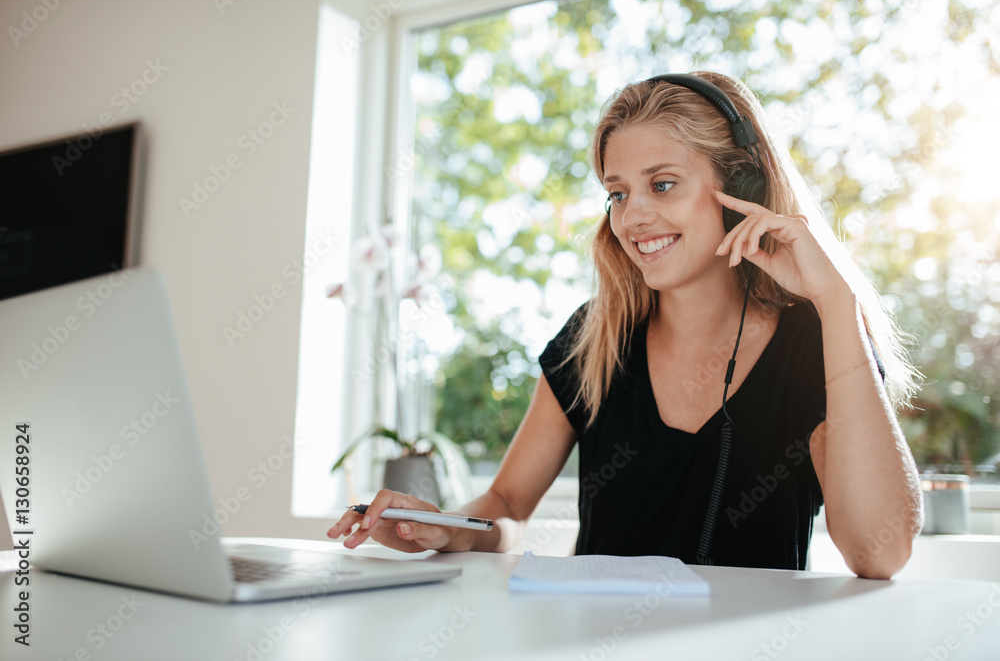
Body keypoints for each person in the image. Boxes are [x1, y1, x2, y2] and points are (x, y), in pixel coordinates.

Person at [327, 70, 923, 579]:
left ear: (741, 188)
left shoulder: (813, 341)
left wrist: (834, 300)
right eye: (617, 193)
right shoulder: (593, 339)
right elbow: (506, 506)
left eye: (662, 184)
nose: (633, 216)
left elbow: (880, 551)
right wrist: (442, 529)